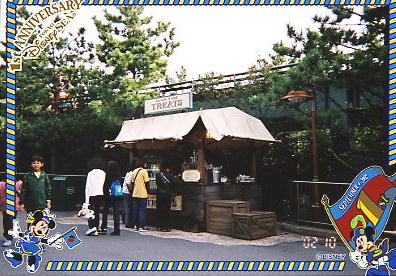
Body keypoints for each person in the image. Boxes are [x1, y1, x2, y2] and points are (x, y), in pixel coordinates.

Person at [84, 158, 106, 236]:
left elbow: (88, 186)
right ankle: (97, 227)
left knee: (90, 212)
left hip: (92, 194)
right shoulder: (103, 173)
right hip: (100, 194)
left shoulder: (90, 173)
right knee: (97, 212)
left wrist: (86, 200)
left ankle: (91, 227)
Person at [102, 161, 123, 236]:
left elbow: (105, 186)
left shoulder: (108, 175)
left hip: (109, 196)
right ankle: (117, 230)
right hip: (117, 195)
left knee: (105, 211)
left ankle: (103, 228)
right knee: (116, 212)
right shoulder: (118, 175)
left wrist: (105, 195)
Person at [0, 179, 23, 247]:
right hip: (4, 204)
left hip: (14, 205)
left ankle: (9, 238)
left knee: (10, 220)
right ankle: (6, 236)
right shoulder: (2, 184)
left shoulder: (19, 183)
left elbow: (22, 193)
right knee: (5, 220)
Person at [130, 159, 150, 232]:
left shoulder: (134, 172)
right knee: (142, 210)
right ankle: (141, 227)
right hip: (143, 193)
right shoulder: (144, 171)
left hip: (135, 193)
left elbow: (132, 183)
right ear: (143, 164)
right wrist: (149, 192)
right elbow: (147, 183)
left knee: (135, 210)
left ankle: (136, 226)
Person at [155, 163, 175, 232]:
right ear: (168, 168)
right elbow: (175, 183)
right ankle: (166, 227)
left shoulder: (158, 174)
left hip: (159, 194)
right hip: (167, 194)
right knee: (167, 211)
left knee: (159, 210)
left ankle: (158, 226)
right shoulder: (170, 175)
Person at [122, 161, 135, 228]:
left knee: (127, 207)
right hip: (127, 192)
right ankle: (128, 223)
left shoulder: (129, 172)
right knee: (129, 208)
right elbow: (128, 183)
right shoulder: (131, 173)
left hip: (125, 191)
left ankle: (127, 222)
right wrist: (131, 191)